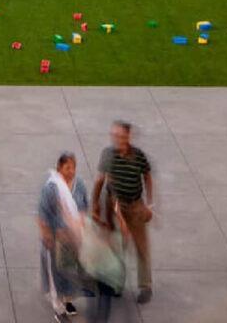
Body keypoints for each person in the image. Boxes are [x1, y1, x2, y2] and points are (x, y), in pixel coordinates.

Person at [92, 121, 154, 305]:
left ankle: (145, 286)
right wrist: (95, 204)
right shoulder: (108, 155)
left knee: (141, 246)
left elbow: (147, 176)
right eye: (115, 136)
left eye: (122, 136)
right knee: (117, 246)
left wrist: (150, 204)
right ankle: (116, 284)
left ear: (128, 136)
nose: (118, 139)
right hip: (114, 205)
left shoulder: (138, 156)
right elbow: (99, 182)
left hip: (135, 205)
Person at [38, 152, 87, 319]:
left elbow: (83, 206)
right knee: (56, 273)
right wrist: (48, 236)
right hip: (55, 239)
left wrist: (81, 225)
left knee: (70, 271)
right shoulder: (51, 188)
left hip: (72, 239)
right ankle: (58, 308)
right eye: (67, 167)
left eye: (73, 167)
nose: (71, 171)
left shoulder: (79, 184)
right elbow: (43, 215)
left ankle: (67, 300)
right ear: (59, 168)